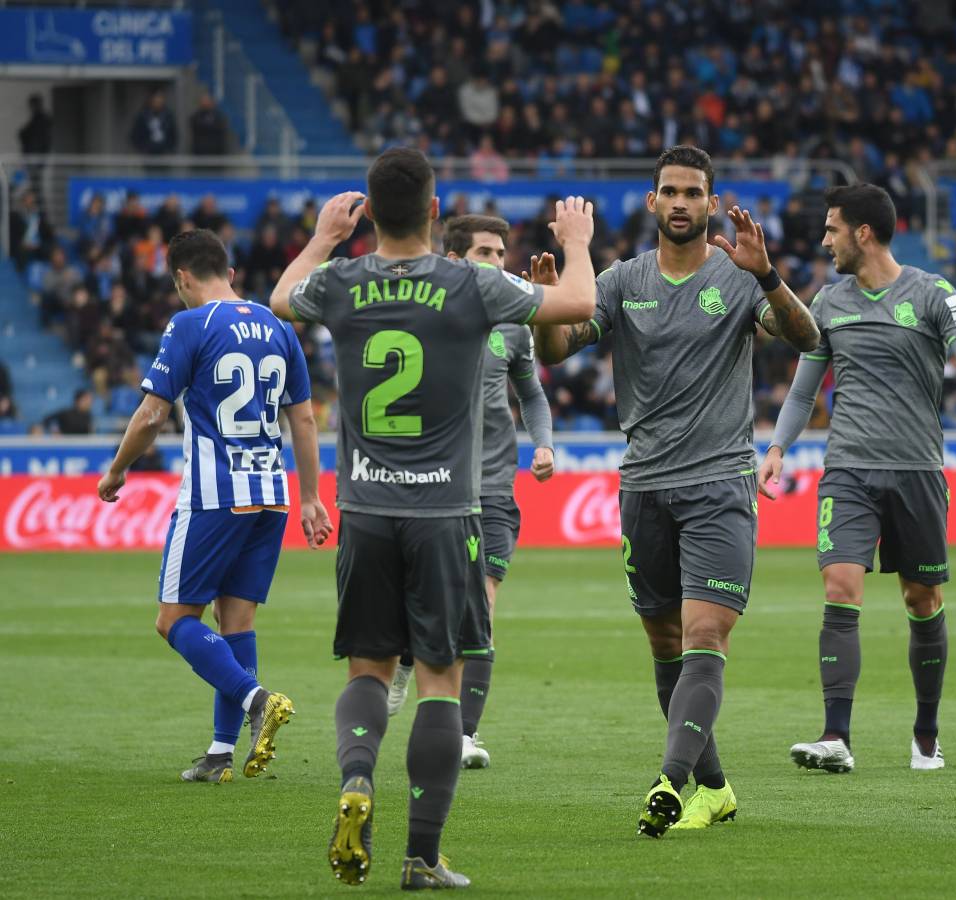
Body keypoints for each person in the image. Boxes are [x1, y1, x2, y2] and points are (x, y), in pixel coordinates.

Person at [270, 147, 596, 889]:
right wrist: (575, 244)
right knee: (441, 682)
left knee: (367, 669)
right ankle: (421, 855)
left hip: (366, 512)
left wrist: (323, 237)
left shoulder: (343, 282)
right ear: (434, 213)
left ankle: (357, 779)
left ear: (371, 216)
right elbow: (577, 306)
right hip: (447, 512)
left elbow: (281, 299)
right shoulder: (472, 284)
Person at [532, 145, 820, 837]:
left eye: (695, 191)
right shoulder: (622, 279)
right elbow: (557, 350)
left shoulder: (740, 274)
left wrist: (771, 277)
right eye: (671, 191)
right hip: (644, 487)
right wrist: (543, 308)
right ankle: (714, 786)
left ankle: (670, 780)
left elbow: (810, 339)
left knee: (704, 633)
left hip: (720, 482)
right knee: (666, 641)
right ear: (654, 202)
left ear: (712, 202)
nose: (683, 201)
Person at [758, 183, 956, 775]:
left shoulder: (931, 293)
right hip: (847, 470)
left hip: (918, 471)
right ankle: (835, 736)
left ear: (863, 233)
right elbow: (803, 391)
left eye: (831, 230)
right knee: (840, 586)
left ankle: (926, 734)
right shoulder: (827, 302)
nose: (825, 240)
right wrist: (775, 447)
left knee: (921, 599)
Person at [95, 229, 330, 784]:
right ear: (228, 268)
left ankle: (256, 700)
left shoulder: (189, 324)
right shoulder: (278, 327)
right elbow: (304, 418)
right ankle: (222, 755)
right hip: (271, 494)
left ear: (181, 277)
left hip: (213, 495)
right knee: (236, 623)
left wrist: (117, 468)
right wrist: (313, 496)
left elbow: (153, 415)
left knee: (173, 620)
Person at [385, 214, 557, 775]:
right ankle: (411, 650)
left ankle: (464, 733)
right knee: (437, 607)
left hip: (495, 488)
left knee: (480, 612)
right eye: (487, 252)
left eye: (503, 252)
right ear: (456, 259)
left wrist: (545, 444)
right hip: (434, 487)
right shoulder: (424, 319)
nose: (500, 262)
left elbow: (531, 394)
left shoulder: (514, 323)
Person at [130, 89, 178, 156]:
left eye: (160, 100)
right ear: (151, 101)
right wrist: (142, 148)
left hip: (164, 152)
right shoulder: (143, 115)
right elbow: (136, 134)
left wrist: (169, 148)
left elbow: (173, 134)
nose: (158, 102)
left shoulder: (168, 116)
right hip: (148, 152)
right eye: (156, 100)